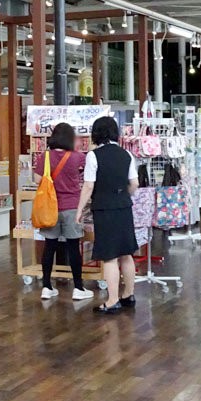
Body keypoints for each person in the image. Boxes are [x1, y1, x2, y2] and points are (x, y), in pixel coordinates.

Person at [76, 116, 139, 315]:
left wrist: (79, 210)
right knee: (126, 253)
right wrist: (123, 196)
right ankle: (128, 295)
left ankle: (112, 301)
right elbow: (134, 183)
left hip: (104, 209)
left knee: (109, 256)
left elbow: (88, 186)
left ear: (96, 133)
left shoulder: (93, 156)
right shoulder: (127, 154)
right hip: (124, 208)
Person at [32, 122, 92, 302]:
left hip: (50, 208)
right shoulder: (77, 157)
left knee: (49, 246)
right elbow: (87, 174)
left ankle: (46, 287)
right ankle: (78, 288)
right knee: (73, 247)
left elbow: (37, 179)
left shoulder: (45, 156)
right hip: (72, 207)